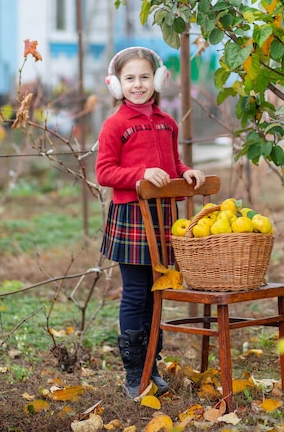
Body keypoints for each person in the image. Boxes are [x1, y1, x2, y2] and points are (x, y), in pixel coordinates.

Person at [95, 46, 205, 398]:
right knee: (136, 295)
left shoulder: (167, 123)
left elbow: (173, 163)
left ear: (157, 80)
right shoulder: (115, 125)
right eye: (130, 78)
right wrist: (141, 173)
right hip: (131, 216)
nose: (138, 84)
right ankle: (133, 375)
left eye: (145, 77)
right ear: (117, 84)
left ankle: (151, 367)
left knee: (155, 295)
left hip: (161, 218)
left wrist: (188, 173)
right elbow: (104, 172)